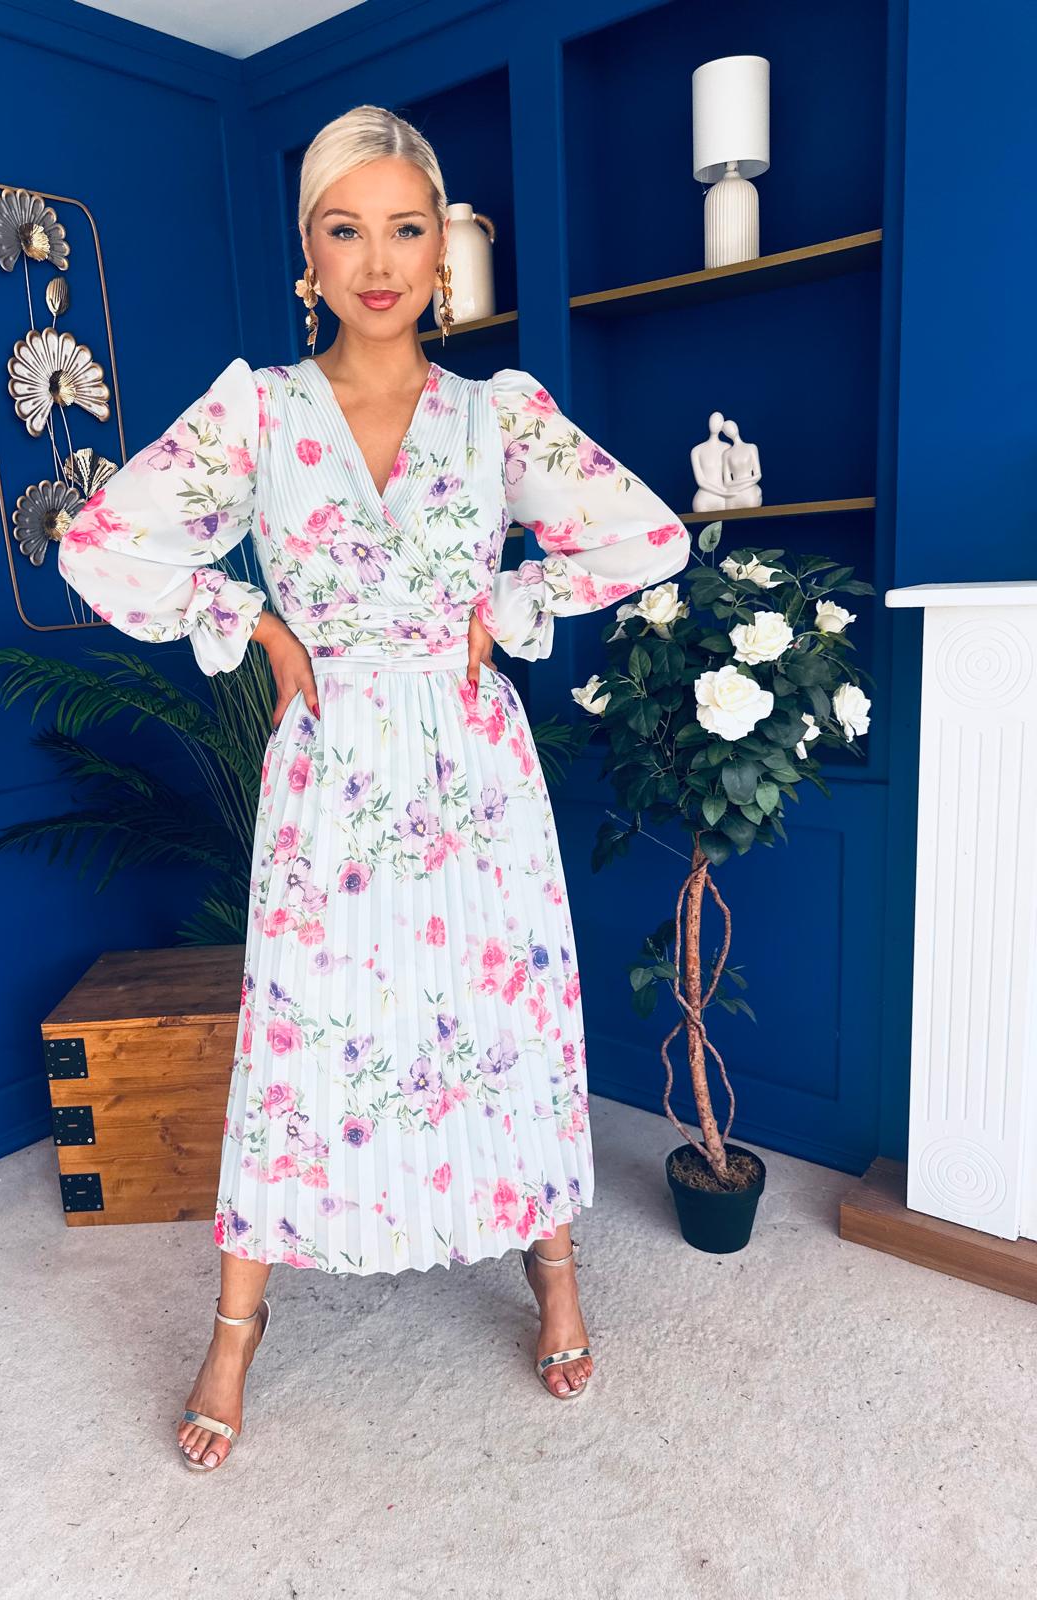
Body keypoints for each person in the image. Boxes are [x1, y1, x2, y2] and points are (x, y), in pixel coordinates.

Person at [57, 104, 692, 1472]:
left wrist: (508, 604)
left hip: (470, 765)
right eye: (346, 230)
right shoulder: (259, 413)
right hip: (332, 758)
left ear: (440, 252)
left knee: (501, 1016)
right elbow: (102, 542)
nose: (379, 258)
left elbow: (646, 535)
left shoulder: (495, 414)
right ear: (310, 255)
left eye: (406, 228)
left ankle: (553, 1272)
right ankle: (236, 1329)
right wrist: (256, 624)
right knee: (305, 1032)